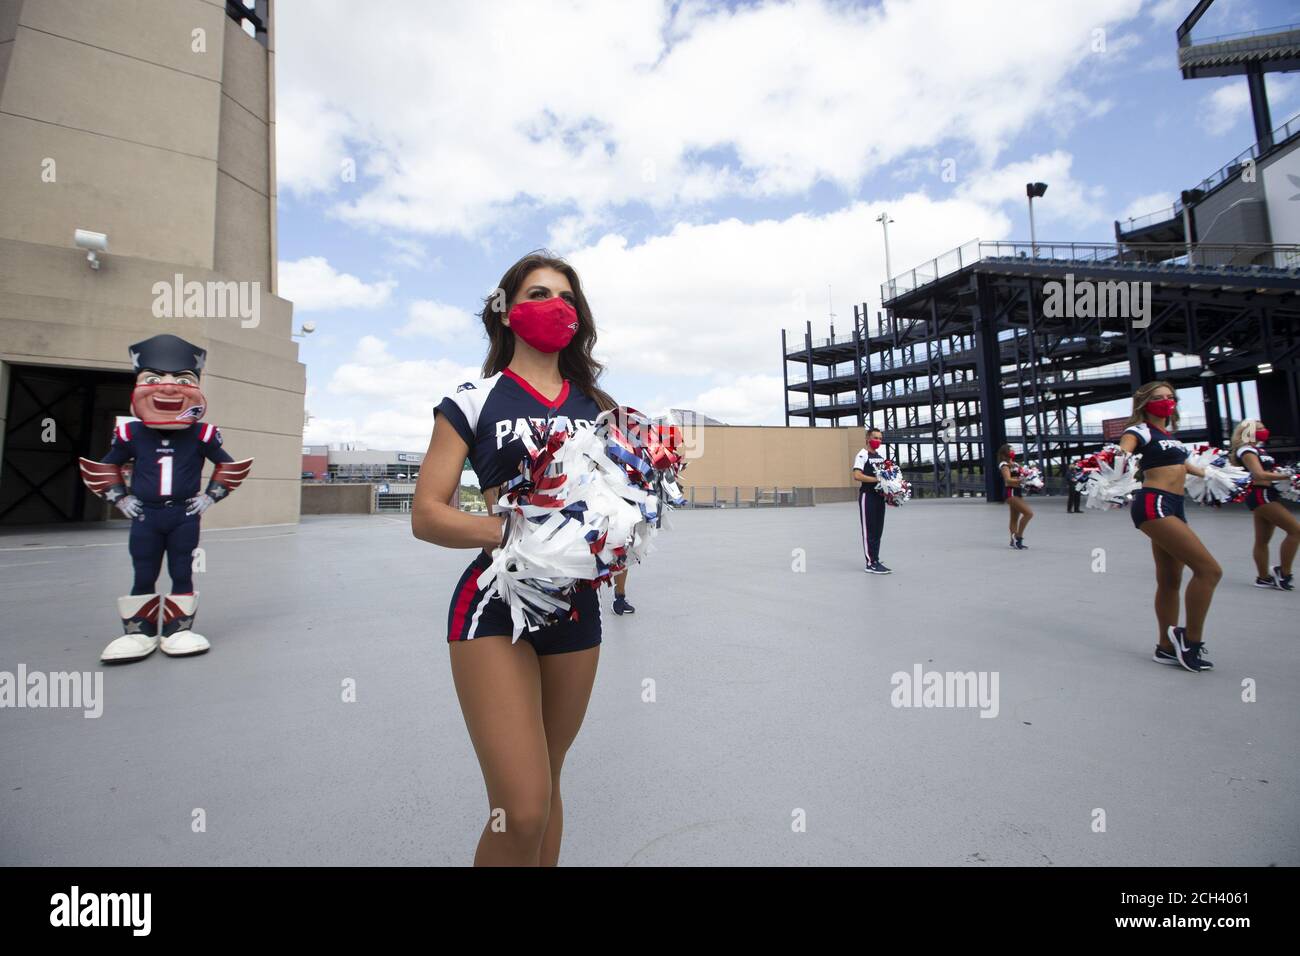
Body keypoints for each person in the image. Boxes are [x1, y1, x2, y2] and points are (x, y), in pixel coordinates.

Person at [411, 250, 618, 866]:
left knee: (548, 787)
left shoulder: (600, 408)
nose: (552, 305)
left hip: (576, 610)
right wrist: (510, 534)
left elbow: (613, 507)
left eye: (563, 297)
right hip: (495, 606)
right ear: (505, 310)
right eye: (535, 294)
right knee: (521, 805)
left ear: (577, 317)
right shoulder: (473, 399)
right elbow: (427, 512)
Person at [78, 334, 252, 663]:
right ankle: (139, 633)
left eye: (183, 379)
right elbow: (106, 465)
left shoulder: (202, 434)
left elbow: (228, 464)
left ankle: (178, 629)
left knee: (182, 568)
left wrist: (210, 497)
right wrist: (120, 498)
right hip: (146, 515)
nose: (169, 388)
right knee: (143, 570)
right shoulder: (131, 433)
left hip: (184, 514)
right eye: (155, 378)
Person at [1117, 381, 1219, 672]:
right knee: (1209, 570)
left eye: (1170, 397)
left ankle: (1165, 646)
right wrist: (1114, 462)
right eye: (1159, 398)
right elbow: (1123, 452)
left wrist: (1222, 476)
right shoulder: (1139, 430)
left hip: (1176, 505)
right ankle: (1190, 641)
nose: (1167, 401)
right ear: (1145, 402)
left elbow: (1189, 467)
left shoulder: (1170, 436)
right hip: (1154, 503)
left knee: (1170, 580)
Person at [1229, 419, 1298, 591]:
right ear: (1248, 432)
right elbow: (1258, 474)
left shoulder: (1258, 449)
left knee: (1262, 540)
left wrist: (1283, 475)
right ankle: (1284, 573)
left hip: (1266, 494)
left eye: (1264, 428)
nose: (1264, 431)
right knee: (1296, 531)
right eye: (1259, 429)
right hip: (1260, 494)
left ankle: (1263, 578)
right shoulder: (1246, 450)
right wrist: (1288, 476)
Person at [852, 427, 891, 573]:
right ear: (868, 439)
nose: (878, 441)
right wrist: (876, 479)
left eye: (880, 438)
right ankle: (870, 563)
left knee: (877, 530)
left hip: (879, 497)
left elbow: (887, 474)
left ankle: (876, 559)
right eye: (875, 438)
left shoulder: (881, 455)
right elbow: (857, 475)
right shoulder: (862, 455)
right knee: (869, 530)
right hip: (867, 497)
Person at [997, 445, 1033, 549]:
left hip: (1017, 492)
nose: (1013, 451)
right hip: (1010, 493)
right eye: (1010, 449)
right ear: (1005, 452)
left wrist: (1029, 479)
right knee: (1028, 513)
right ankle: (1018, 537)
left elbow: (1022, 475)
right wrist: (1021, 480)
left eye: (1013, 449)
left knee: (1014, 518)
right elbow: (1008, 480)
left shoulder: (1016, 464)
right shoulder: (1004, 465)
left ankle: (1013, 541)